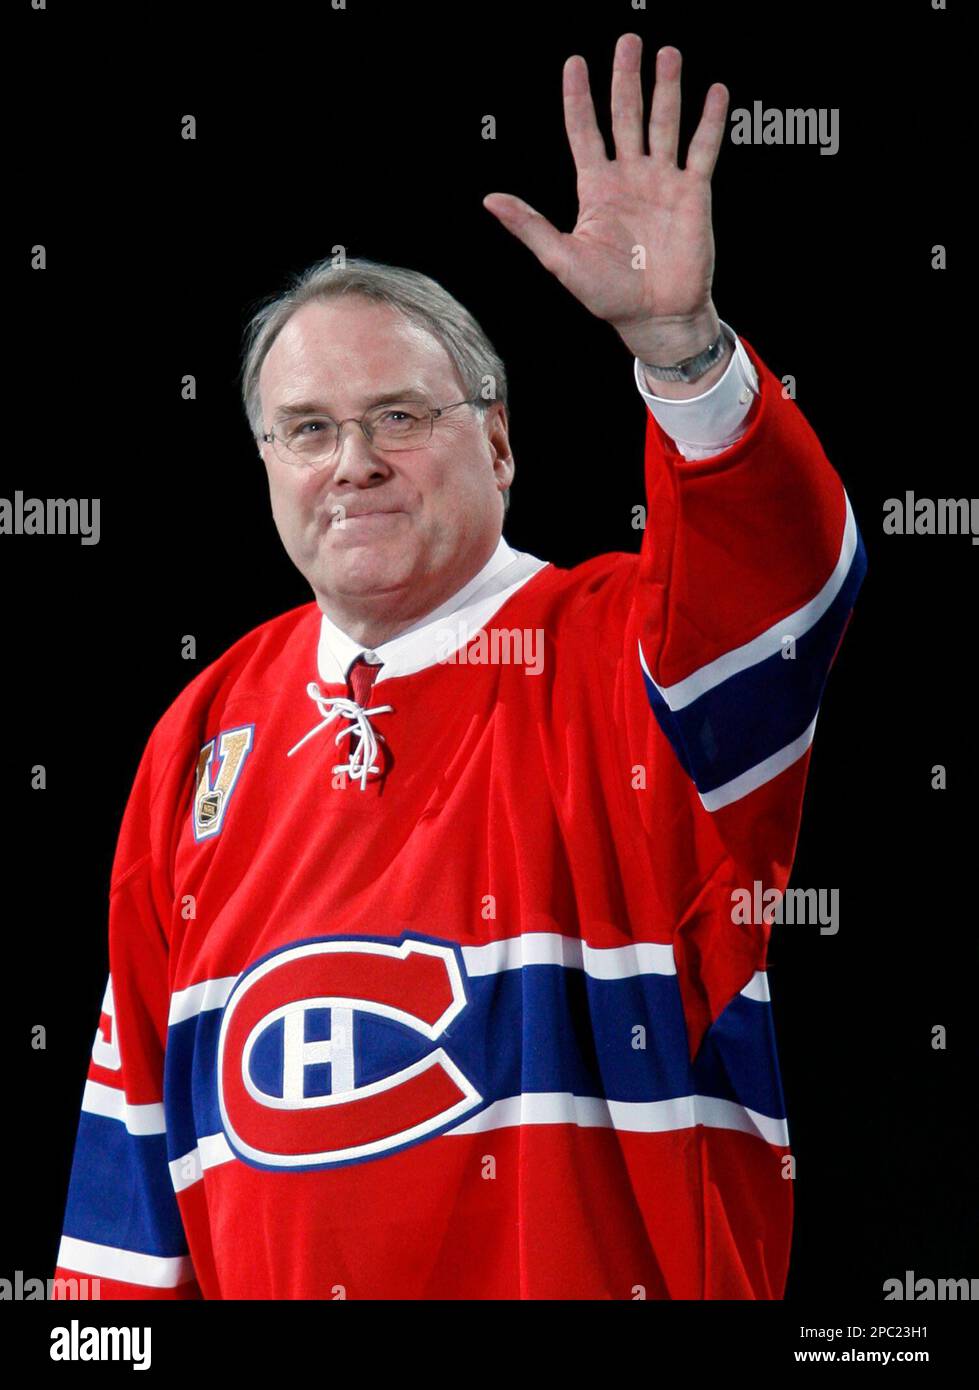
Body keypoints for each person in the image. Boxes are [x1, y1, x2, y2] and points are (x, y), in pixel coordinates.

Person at [53, 36, 865, 1299]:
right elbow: (129, 1184)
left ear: (497, 440)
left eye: (398, 416)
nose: (352, 462)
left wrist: (682, 353)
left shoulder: (625, 649)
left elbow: (785, 580)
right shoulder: (201, 731)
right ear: (267, 464)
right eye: (308, 429)